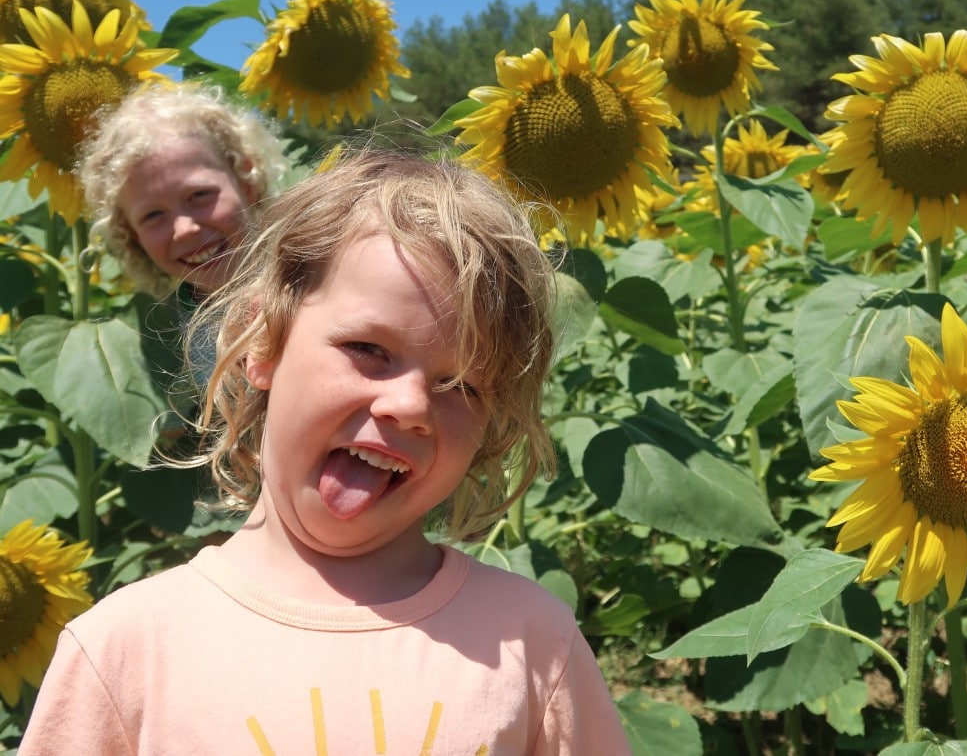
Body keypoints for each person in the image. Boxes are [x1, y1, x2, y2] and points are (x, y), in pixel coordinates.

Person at [21, 151, 631, 754]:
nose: (411, 405)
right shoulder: (126, 647)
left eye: (463, 386)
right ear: (261, 340)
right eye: (368, 349)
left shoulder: (532, 641)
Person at [78, 81, 288, 387]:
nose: (184, 228)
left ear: (246, 181)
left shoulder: (310, 280)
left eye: (200, 195)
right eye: (153, 216)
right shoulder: (161, 339)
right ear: (133, 235)